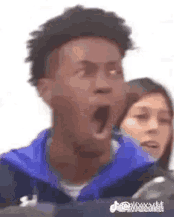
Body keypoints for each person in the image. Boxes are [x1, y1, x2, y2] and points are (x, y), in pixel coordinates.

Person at [0, 5, 156, 211]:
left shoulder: (152, 186)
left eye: (114, 72)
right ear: (46, 90)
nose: (103, 85)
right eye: (85, 72)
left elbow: (160, 209)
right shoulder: (8, 179)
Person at [118, 78, 174, 216]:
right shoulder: (84, 191)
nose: (154, 127)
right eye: (141, 116)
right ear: (115, 123)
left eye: (164, 120)